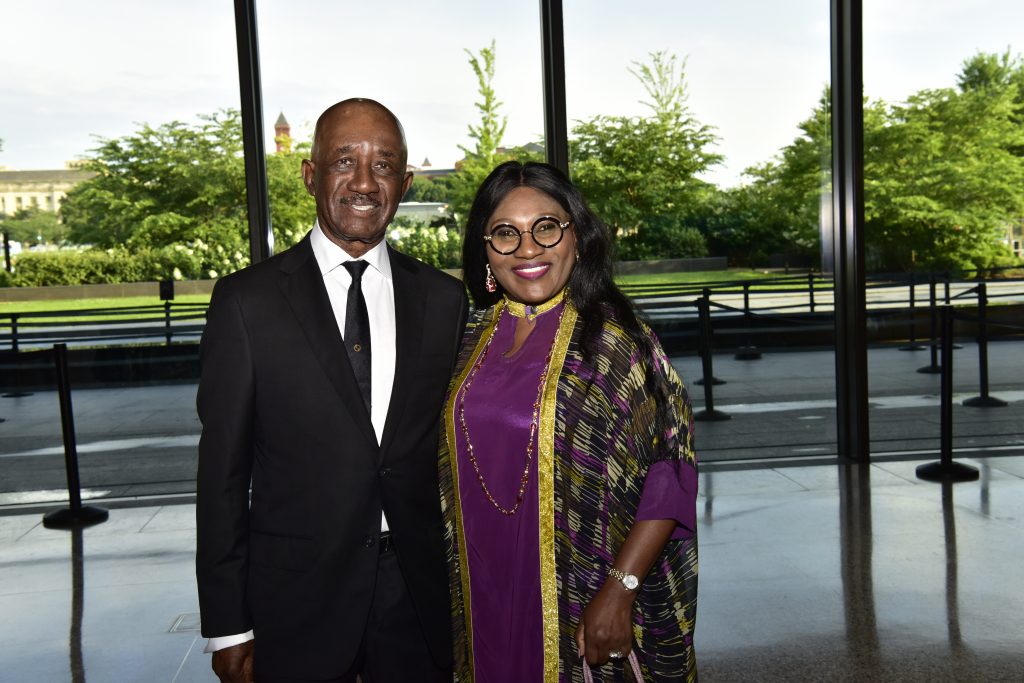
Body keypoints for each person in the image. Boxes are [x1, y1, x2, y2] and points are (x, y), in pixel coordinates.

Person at [196, 98, 467, 683]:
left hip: (417, 602)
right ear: (310, 174)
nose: (365, 182)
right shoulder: (247, 303)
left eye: (384, 164)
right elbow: (220, 476)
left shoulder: (444, 301)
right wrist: (228, 623)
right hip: (296, 600)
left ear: (406, 180)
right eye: (345, 161)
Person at [438, 161, 698, 682]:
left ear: (577, 237)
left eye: (546, 227)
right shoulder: (465, 338)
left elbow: (669, 477)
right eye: (505, 234)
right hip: (477, 583)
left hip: (584, 586)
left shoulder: (616, 340)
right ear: (485, 251)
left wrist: (619, 590)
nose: (528, 249)